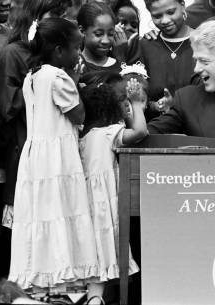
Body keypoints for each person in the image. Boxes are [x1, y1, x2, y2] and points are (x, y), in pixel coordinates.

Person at [8, 18, 99, 292]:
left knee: (41, 213)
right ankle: (63, 275)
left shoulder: (31, 77)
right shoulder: (59, 77)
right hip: (57, 156)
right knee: (61, 209)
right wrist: (75, 80)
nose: (78, 54)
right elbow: (78, 115)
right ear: (59, 51)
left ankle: (39, 274)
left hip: (35, 155)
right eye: (75, 48)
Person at [0, 0, 71, 276]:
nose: (59, 21)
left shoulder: (59, 53)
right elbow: (8, 107)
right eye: (54, 14)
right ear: (37, 15)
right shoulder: (14, 53)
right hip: (26, 147)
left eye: (64, 16)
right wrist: (40, 85)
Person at [78, 78, 147, 303]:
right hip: (106, 203)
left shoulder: (82, 136)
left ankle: (95, 298)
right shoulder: (108, 133)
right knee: (107, 248)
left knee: (96, 253)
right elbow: (139, 132)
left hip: (87, 203)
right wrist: (136, 104)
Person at [128, 0, 197, 118]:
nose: (165, 20)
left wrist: (177, 104)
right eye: (157, 16)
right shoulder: (145, 46)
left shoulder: (203, 42)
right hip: (157, 132)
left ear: (183, 5)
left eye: (171, 12)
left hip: (198, 132)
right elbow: (135, 97)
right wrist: (156, 106)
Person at [77, 2, 122, 85]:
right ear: (82, 31)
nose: (106, 41)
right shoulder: (77, 66)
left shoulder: (119, 65)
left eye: (110, 34)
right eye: (98, 34)